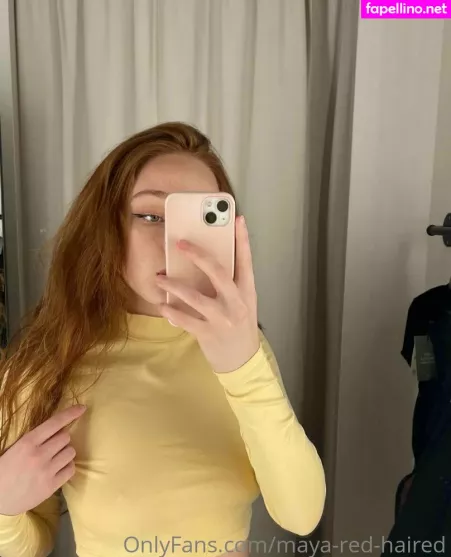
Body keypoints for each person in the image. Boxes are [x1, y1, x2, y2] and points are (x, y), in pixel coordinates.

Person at [0, 122, 326, 557]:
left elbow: (301, 514)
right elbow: (30, 545)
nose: (178, 240)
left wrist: (244, 366)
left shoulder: (241, 350)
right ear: (106, 228)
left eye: (201, 217)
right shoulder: (49, 363)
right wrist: (2, 505)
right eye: (151, 216)